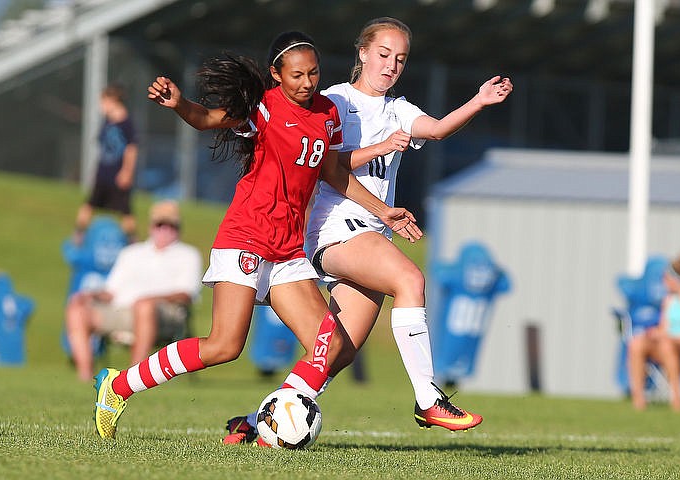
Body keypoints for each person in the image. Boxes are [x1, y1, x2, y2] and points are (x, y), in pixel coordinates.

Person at [91, 31, 422, 439]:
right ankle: (117, 386)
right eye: (297, 75)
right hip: (246, 238)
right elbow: (206, 119)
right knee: (224, 346)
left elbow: (334, 173)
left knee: (332, 345)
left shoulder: (327, 114)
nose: (306, 83)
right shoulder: (263, 109)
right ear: (276, 75)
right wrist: (179, 104)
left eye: (313, 73)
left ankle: (262, 424)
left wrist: (383, 211)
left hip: (287, 249)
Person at [224, 17, 513, 445]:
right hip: (334, 228)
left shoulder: (398, 108)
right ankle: (428, 398)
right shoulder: (333, 102)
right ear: (362, 53)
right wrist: (379, 149)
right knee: (410, 279)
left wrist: (477, 101)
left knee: (335, 353)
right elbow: (326, 169)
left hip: (372, 231)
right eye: (383, 55)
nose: (391, 66)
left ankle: (253, 422)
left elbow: (435, 129)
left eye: (400, 59)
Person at [66, 200, 202, 381]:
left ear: (178, 228)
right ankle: (85, 377)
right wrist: (89, 295)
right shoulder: (131, 253)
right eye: (160, 225)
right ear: (151, 227)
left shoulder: (188, 255)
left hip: (165, 314)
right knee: (76, 309)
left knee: (144, 306)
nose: (165, 230)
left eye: (171, 226)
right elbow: (110, 291)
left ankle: (134, 379)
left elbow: (186, 294)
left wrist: (149, 300)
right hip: (122, 311)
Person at [74, 84, 139, 244]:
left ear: (113, 101)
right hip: (103, 173)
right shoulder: (107, 121)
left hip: (118, 175)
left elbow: (131, 149)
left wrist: (127, 172)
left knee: (125, 211)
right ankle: (78, 237)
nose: (101, 106)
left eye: (103, 102)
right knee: (89, 204)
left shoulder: (126, 124)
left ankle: (132, 242)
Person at [629, 254, 680, 411]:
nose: (664, 282)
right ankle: (638, 399)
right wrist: (655, 333)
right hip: (667, 346)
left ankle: (676, 398)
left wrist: (668, 337)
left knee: (667, 344)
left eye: (666, 278)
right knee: (637, 343)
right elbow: (664, 327)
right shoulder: (669, 301)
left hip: (677, 346)